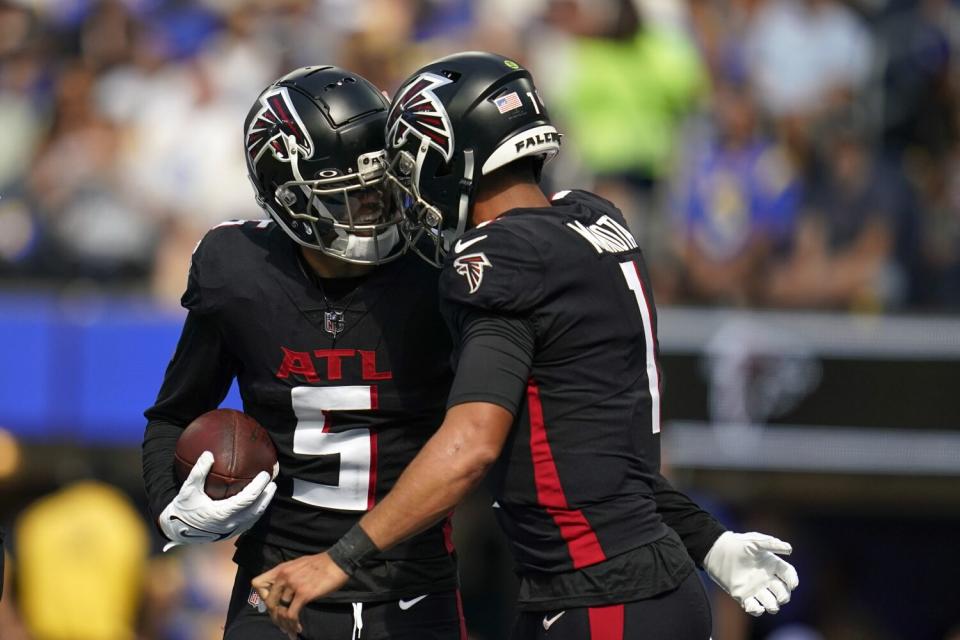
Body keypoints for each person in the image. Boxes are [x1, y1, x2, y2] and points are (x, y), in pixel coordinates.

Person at [252, 52, 799, 640]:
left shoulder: (503, 259)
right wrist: (707, 539)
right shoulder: (593, 222)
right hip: (635, 584)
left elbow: (470, 447)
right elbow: (603, 451)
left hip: (601, 594)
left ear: (449, 158)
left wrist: (337, 559)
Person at [142, 65, 466, 640]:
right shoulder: (237, 273)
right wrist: (176, 505)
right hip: (278, 584)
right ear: (288, 199)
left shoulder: (437, 273)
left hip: (411, 587)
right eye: (352, 196)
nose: (376, 206)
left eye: (383, 187)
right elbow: (173, 413)